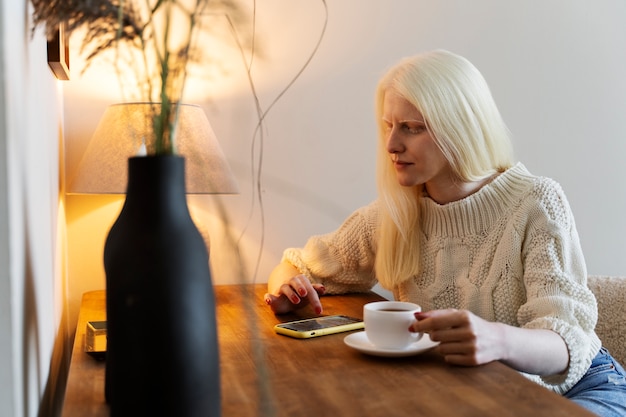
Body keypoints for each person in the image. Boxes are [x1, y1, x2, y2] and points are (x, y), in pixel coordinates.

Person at [264, 50, 626, 416]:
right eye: (388, 126)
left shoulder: (536, 202)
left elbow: (568, 342)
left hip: (578, 387)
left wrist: (495, 339)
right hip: (478, 398)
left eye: (412, 127)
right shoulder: (393, 215)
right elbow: (295, 265)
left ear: (460, 127)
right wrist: (287, 289)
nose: (391, 145)